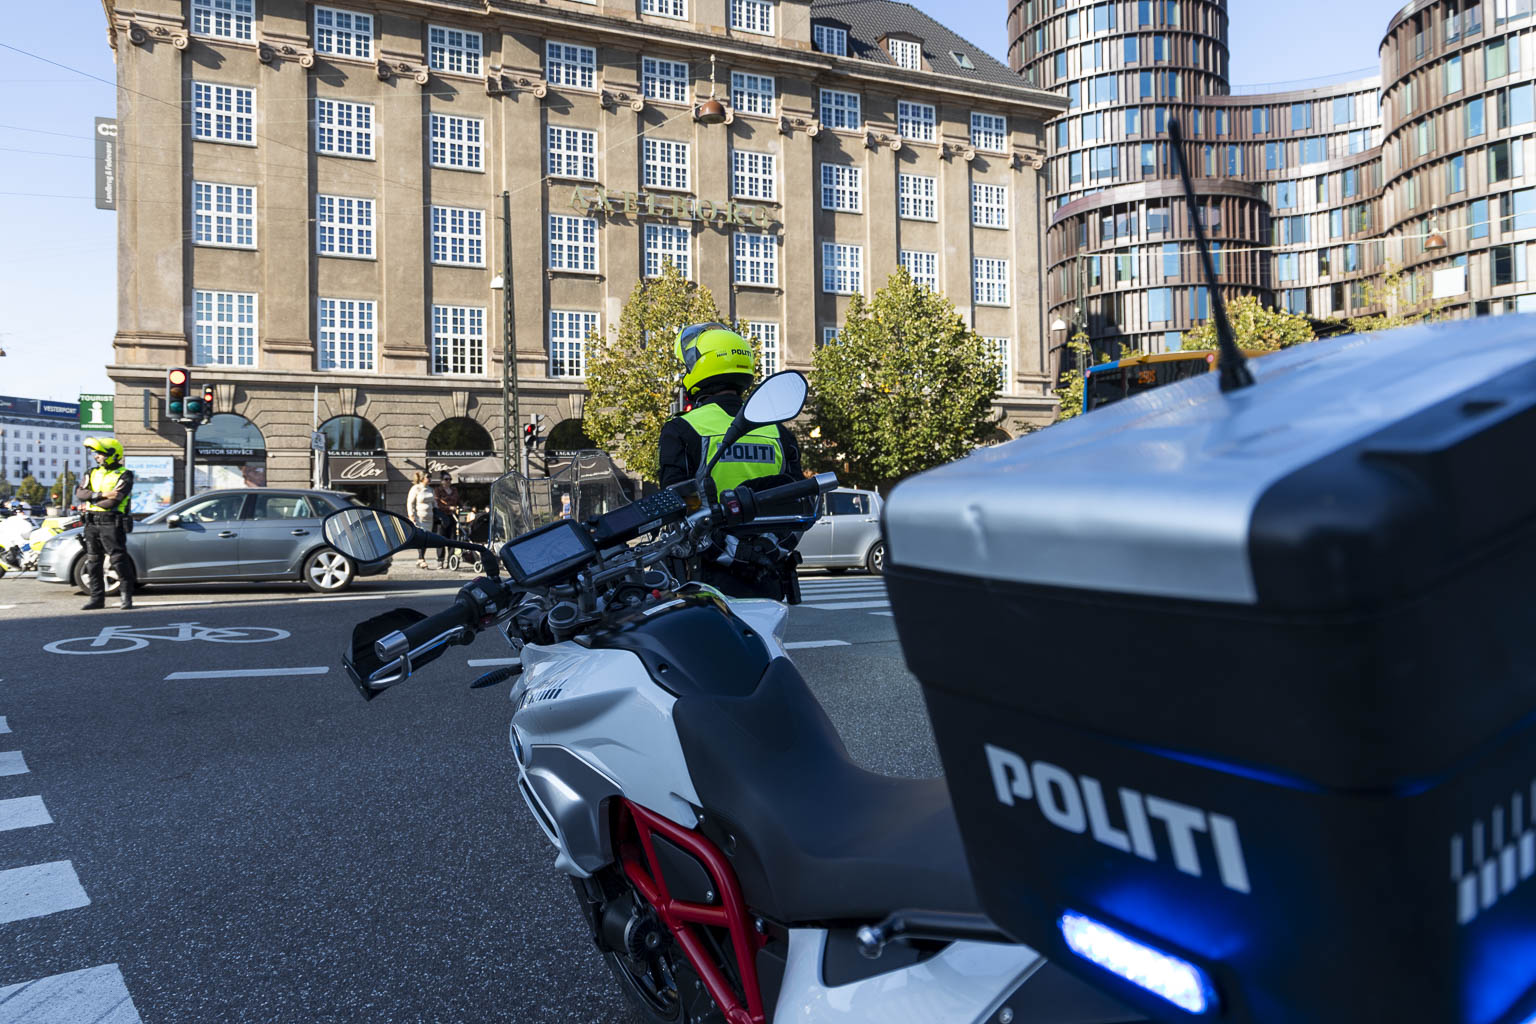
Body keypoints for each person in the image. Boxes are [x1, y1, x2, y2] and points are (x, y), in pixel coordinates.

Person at [658, 322, 805, 600]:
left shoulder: (682, 429)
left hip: (708, 573)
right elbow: (799, 503)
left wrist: (726, 548)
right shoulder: (777, 432)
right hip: (766, 570)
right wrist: (768, 548)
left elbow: (678, 503)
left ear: (700, 368)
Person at [74, 436, 136, 610]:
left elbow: (114, 500)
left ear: (112, 454)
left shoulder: (125, 474)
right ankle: (97, 599)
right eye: (96, 453)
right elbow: (80, 493)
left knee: (118, 560)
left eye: (100, 453)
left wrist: (92, 497)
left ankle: (126, 597)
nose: (96, 457)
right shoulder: (91, 472)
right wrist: (101, 495)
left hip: (111, 522)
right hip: (91, 522)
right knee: (93, 561)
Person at [405, 471, 437, 569]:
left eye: (430, 477)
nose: (430, 479)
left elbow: (434, 503)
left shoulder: (431, 489)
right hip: (419, 517)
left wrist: (437, 511)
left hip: (429, 517)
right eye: (428, 477)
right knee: (421, 537)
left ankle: (421, 558)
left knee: (426, 538)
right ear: (422, 478)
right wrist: (411, 515)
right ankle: (421, 558)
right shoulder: (416, 488)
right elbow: (410, 503)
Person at [431, 471, 461, 569]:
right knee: (441, 539)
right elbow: (437, 503)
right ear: (441, 481)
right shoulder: (438, 490)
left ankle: (451, 560)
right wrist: (449, 508)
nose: (448, 481)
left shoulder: (454, 489)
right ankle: (440, 560)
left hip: (452, 517)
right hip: (442, 517)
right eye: (446, 479)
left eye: (450, 479)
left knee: (452, 539)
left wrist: (460, 507)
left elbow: (458, 501)